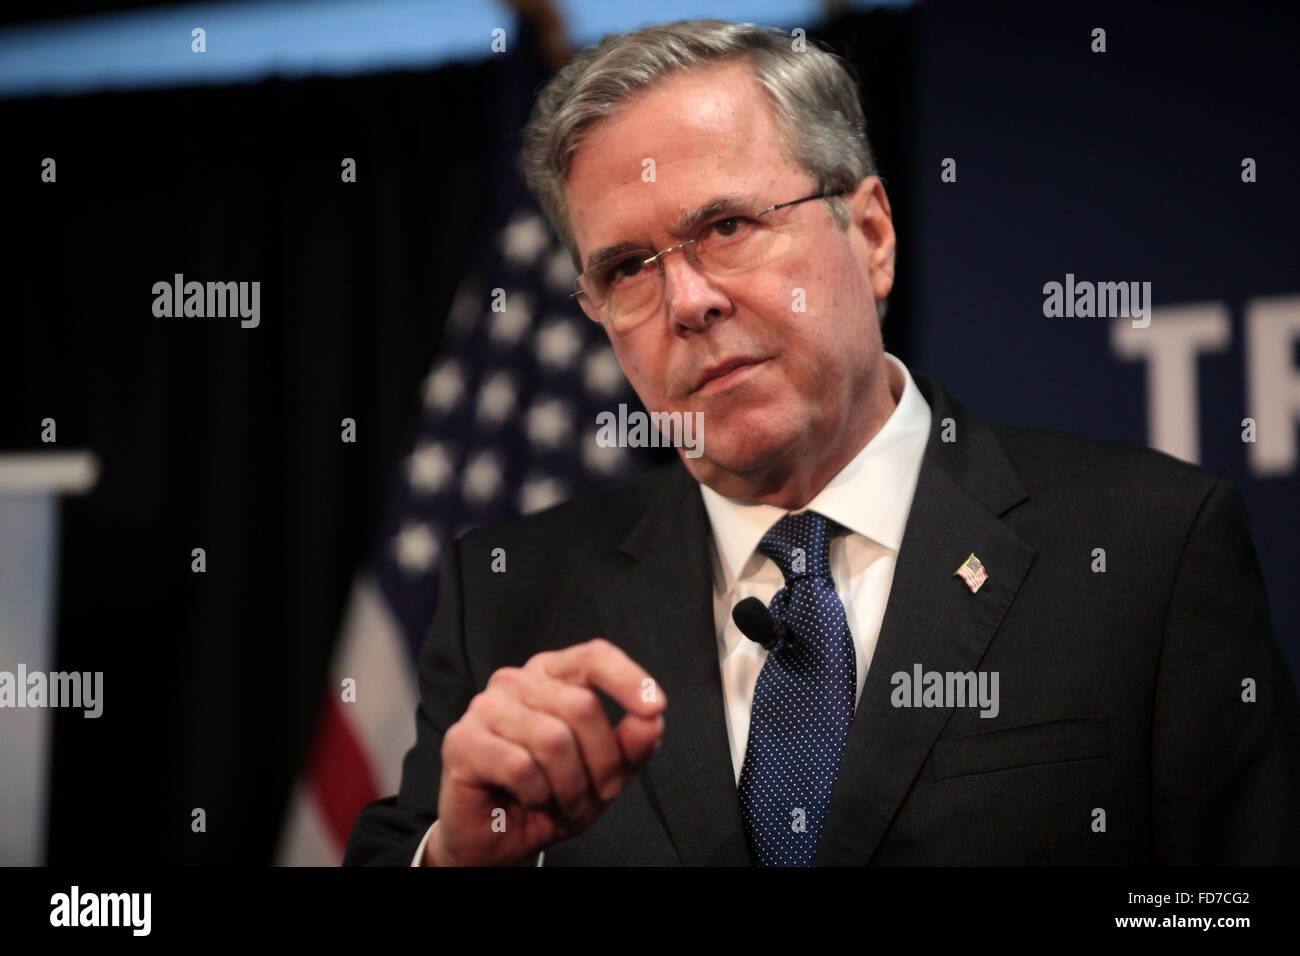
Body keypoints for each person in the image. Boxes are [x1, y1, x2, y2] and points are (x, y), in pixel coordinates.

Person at [343, 19, 1300, 866]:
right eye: (628, 267)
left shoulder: (1147, 546)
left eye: (726, 225)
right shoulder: (510, 593)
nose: (688, 301)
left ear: (872, 234)